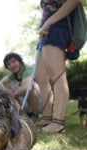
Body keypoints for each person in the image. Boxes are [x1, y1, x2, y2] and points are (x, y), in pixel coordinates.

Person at [35, 0, 81, 133]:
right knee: (41, 77)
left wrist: (49, 22)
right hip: (46, 31)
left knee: (57, 74)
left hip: (58, 27)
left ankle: (58, 123)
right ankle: (47, 117)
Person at [0, 52, 39, 119]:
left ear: (19, 61)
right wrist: (8, 91)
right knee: (6, 84)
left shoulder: (28, 69)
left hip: (40, 100)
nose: (12, 65)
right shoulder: (14, 74)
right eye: (8, 64)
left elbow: (26, 88)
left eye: (14, 61)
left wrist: (12, 94)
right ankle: (21, 113)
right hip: (26, 100)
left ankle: (32, 114)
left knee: (31, 86)